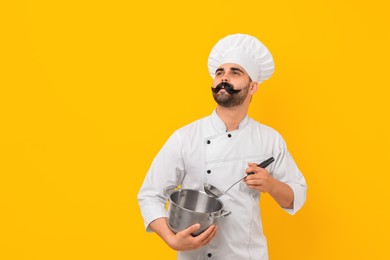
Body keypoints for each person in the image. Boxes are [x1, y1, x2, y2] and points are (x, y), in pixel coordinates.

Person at [137, 33, 307, 260]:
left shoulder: (269, 139)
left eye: (235, 72)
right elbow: (150, 195)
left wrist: (270, 184)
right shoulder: (185, 137)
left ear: (253, 86)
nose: (224, 78)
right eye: (220, 72)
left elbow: (296, 196)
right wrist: (171, 238)